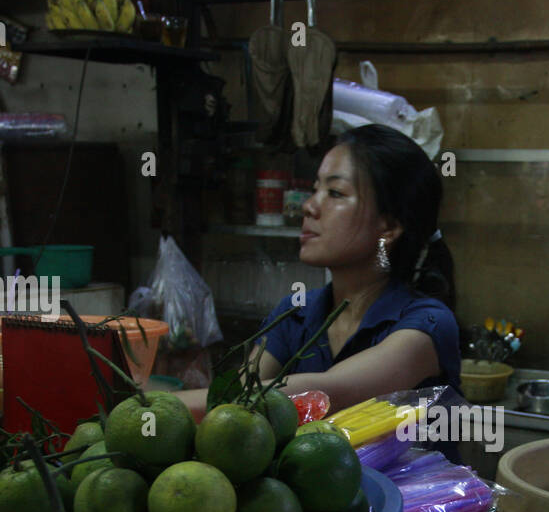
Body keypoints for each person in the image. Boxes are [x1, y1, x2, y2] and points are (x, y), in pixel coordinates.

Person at [177, 124, 460, 417]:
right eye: (316, 190)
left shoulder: (427, 324)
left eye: (335, 193)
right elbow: (234, 399)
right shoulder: (295, 314)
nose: (309, 206)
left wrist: (159, 406)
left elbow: (329, 392)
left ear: (387, 227)